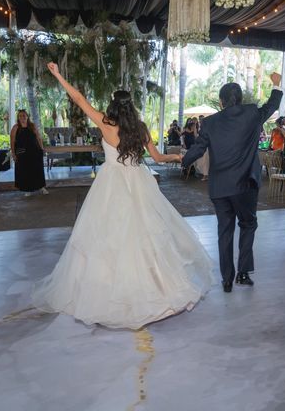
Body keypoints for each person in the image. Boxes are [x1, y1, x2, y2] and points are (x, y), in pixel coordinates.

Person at [36, 62, 212, 330]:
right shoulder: (140, 128)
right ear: (132, 107)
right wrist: (177, 156)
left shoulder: (106, 123)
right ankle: (153, 289)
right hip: (138, 182)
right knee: (145, 236)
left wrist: (58, 73)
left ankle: (105, 294)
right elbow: (157, 158)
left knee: (105, 237)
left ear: (113, 106)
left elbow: (79, 98)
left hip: (110, 184)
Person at [183, 73, 283, 293]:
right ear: (239, 99)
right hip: (245, 186)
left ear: (221, 101)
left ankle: (227, 279)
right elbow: (273, 104)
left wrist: (182, 161)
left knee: (224, 231)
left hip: (219, 188)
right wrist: (276, 84)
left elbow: (198, 150)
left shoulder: (210, 122)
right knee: (248, 224)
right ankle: (243, 273)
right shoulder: (252, 114)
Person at [10, 110, 48, 196]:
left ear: (27, 116)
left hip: (35, 151)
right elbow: (12, 141)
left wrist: (42, 149)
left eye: (24, 115)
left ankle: (41, 187)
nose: (22, 117)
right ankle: (27, 189)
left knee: (38, 170)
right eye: (20, 116)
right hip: (22, 153)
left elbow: (39, 138)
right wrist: (13, 153)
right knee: (25, 171)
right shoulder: (15, 127)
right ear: (18, 118)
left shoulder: (32, 126)